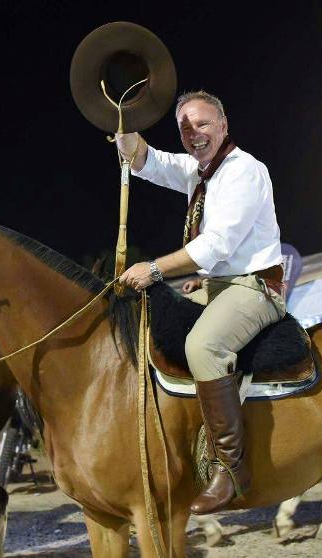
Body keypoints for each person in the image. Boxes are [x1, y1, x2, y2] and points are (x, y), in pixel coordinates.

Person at [116, 90, 285, 514]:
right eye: (185, 128)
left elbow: (216, 244)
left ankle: (231, 468)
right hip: (216, 283)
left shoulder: (244, 171)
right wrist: (125, 131)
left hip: (255, 287)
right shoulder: (200, 170)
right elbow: (150, 162)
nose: (194, 134)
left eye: (204, 123)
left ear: (225, 125)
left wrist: (154, 269)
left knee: (202, 346)